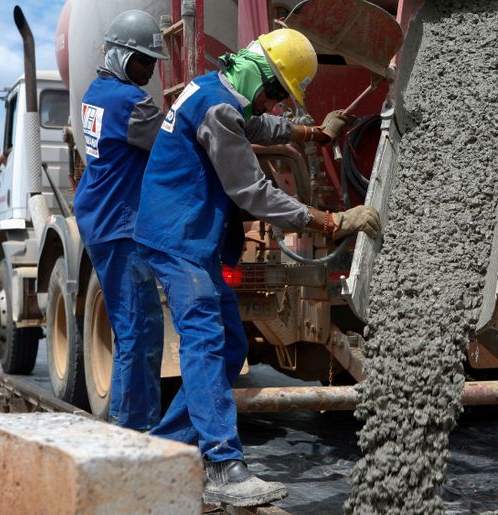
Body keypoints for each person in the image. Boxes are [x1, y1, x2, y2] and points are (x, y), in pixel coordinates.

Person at [133, 28, 381, 506]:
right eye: (274, 94)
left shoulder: (216, 90)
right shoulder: (219, 107)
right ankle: (224, 465)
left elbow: (255, 125)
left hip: (191, 237)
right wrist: (329, 220)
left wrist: (311, 132)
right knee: (206, 341)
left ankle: (161, 451)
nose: (272, 105)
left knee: (230, 347)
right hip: (179, 238)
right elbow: (252, 193)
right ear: (260, 74)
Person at [73, 10, 167, 430]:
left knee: (138, 329)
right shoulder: (128, 102)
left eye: (151, 63)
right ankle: (132, 430)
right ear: (119, 55)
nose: (148, 70)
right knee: (137, 332)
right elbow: (172, 143)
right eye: (142, 61)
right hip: (119, 225)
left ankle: (137, 422)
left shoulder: (96, 91)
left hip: (101, 217)